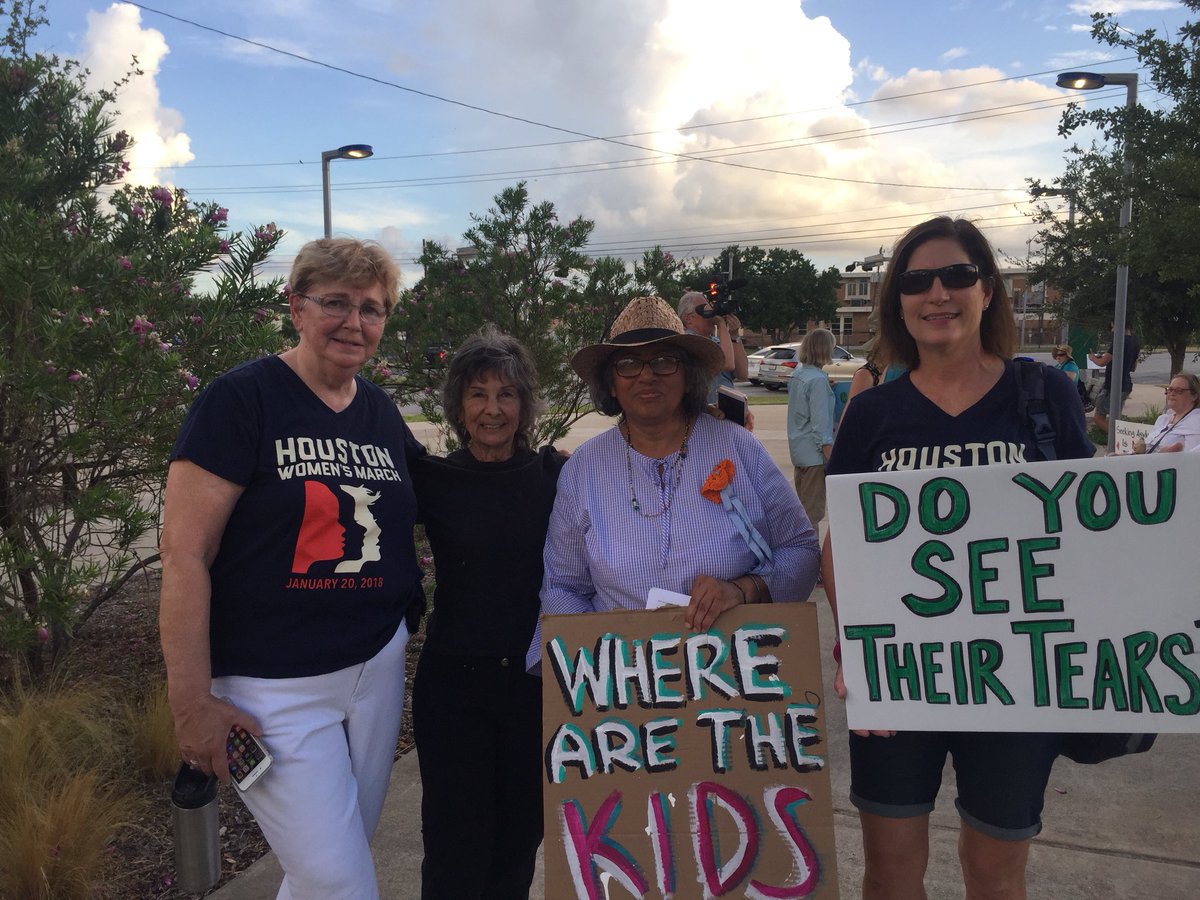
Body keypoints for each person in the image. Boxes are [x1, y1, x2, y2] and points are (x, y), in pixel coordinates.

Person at [823, 217, 1093, 900]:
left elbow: (1093, 532)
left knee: (996, 874)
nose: (937, 293)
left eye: (957, 276)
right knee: (889, 873)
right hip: (901, 677)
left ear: (989, 290)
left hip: (1017, 683)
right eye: (916, 280)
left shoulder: (1045, 397)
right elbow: (842, 543)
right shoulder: (872, 414)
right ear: (898, 301)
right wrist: (858, 645)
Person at [159, 238, 425, 900]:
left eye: (372, 308)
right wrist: (191, 704)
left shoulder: (380, 413)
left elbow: (445, 493)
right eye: (335, 302)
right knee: (339, 881)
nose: (354, 322)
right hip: (272, 687)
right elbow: (184, 554)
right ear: (296, 307)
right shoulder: (241, 400)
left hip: (373, 669)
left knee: (330, 867)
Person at [526, 295, 820, 672]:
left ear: (688, 375)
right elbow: (563, 587)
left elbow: (800, 548)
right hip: (625, 685)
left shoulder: (737, 446)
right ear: (611, 384)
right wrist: (604, 660)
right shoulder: (583, 469)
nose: (647, 375)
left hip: (733, 679)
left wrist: (743, 590)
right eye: (628, 363)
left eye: (665, 361)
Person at [410, 329, 566, 900]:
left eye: (506, 394)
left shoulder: (554, 476)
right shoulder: (433, 479)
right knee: (454, 845)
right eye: (478, 394)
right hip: (453, 684)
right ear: (458, 406)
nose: (492, 409)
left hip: (533, 685)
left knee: (518, 839)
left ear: (524, 405)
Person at [786, 328, 835, 524]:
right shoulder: (817, 380)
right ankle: (811, 554)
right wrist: (832, 459)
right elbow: (820, 427)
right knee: (812, 515)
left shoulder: (799, 374)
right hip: (814, 457)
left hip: (798, 451)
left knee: (804, 510)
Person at [678, 290, 749, 402]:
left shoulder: (718, 341)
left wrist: (734, 336)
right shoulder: (687, 342)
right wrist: (721, 324)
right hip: (704, 415)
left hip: (727, 414)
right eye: (705, 310)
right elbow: (727, 364)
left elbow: (743, 374)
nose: (712, 314)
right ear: (689, 319)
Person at [1088, 323, 1139, 434]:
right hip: (1126, 384)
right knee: (1115, 418)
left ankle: (1116, 440)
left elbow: (1101, 363)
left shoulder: (1119, 341)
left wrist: (1092, 358)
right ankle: (1118, 440)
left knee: (1099, 417)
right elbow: (1133, 367)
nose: (1112, 330)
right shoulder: (1135, 342)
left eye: (1113, 327)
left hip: (1112, 385)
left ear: (1122, 325)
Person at [1140, 372, 1200, 453]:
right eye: (1170, 389)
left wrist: (1166, 457)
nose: (1172, 393)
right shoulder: (1163, 419)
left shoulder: (1196, 422)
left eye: (1179, 390)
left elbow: (1192, 459)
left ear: (1194, 396)